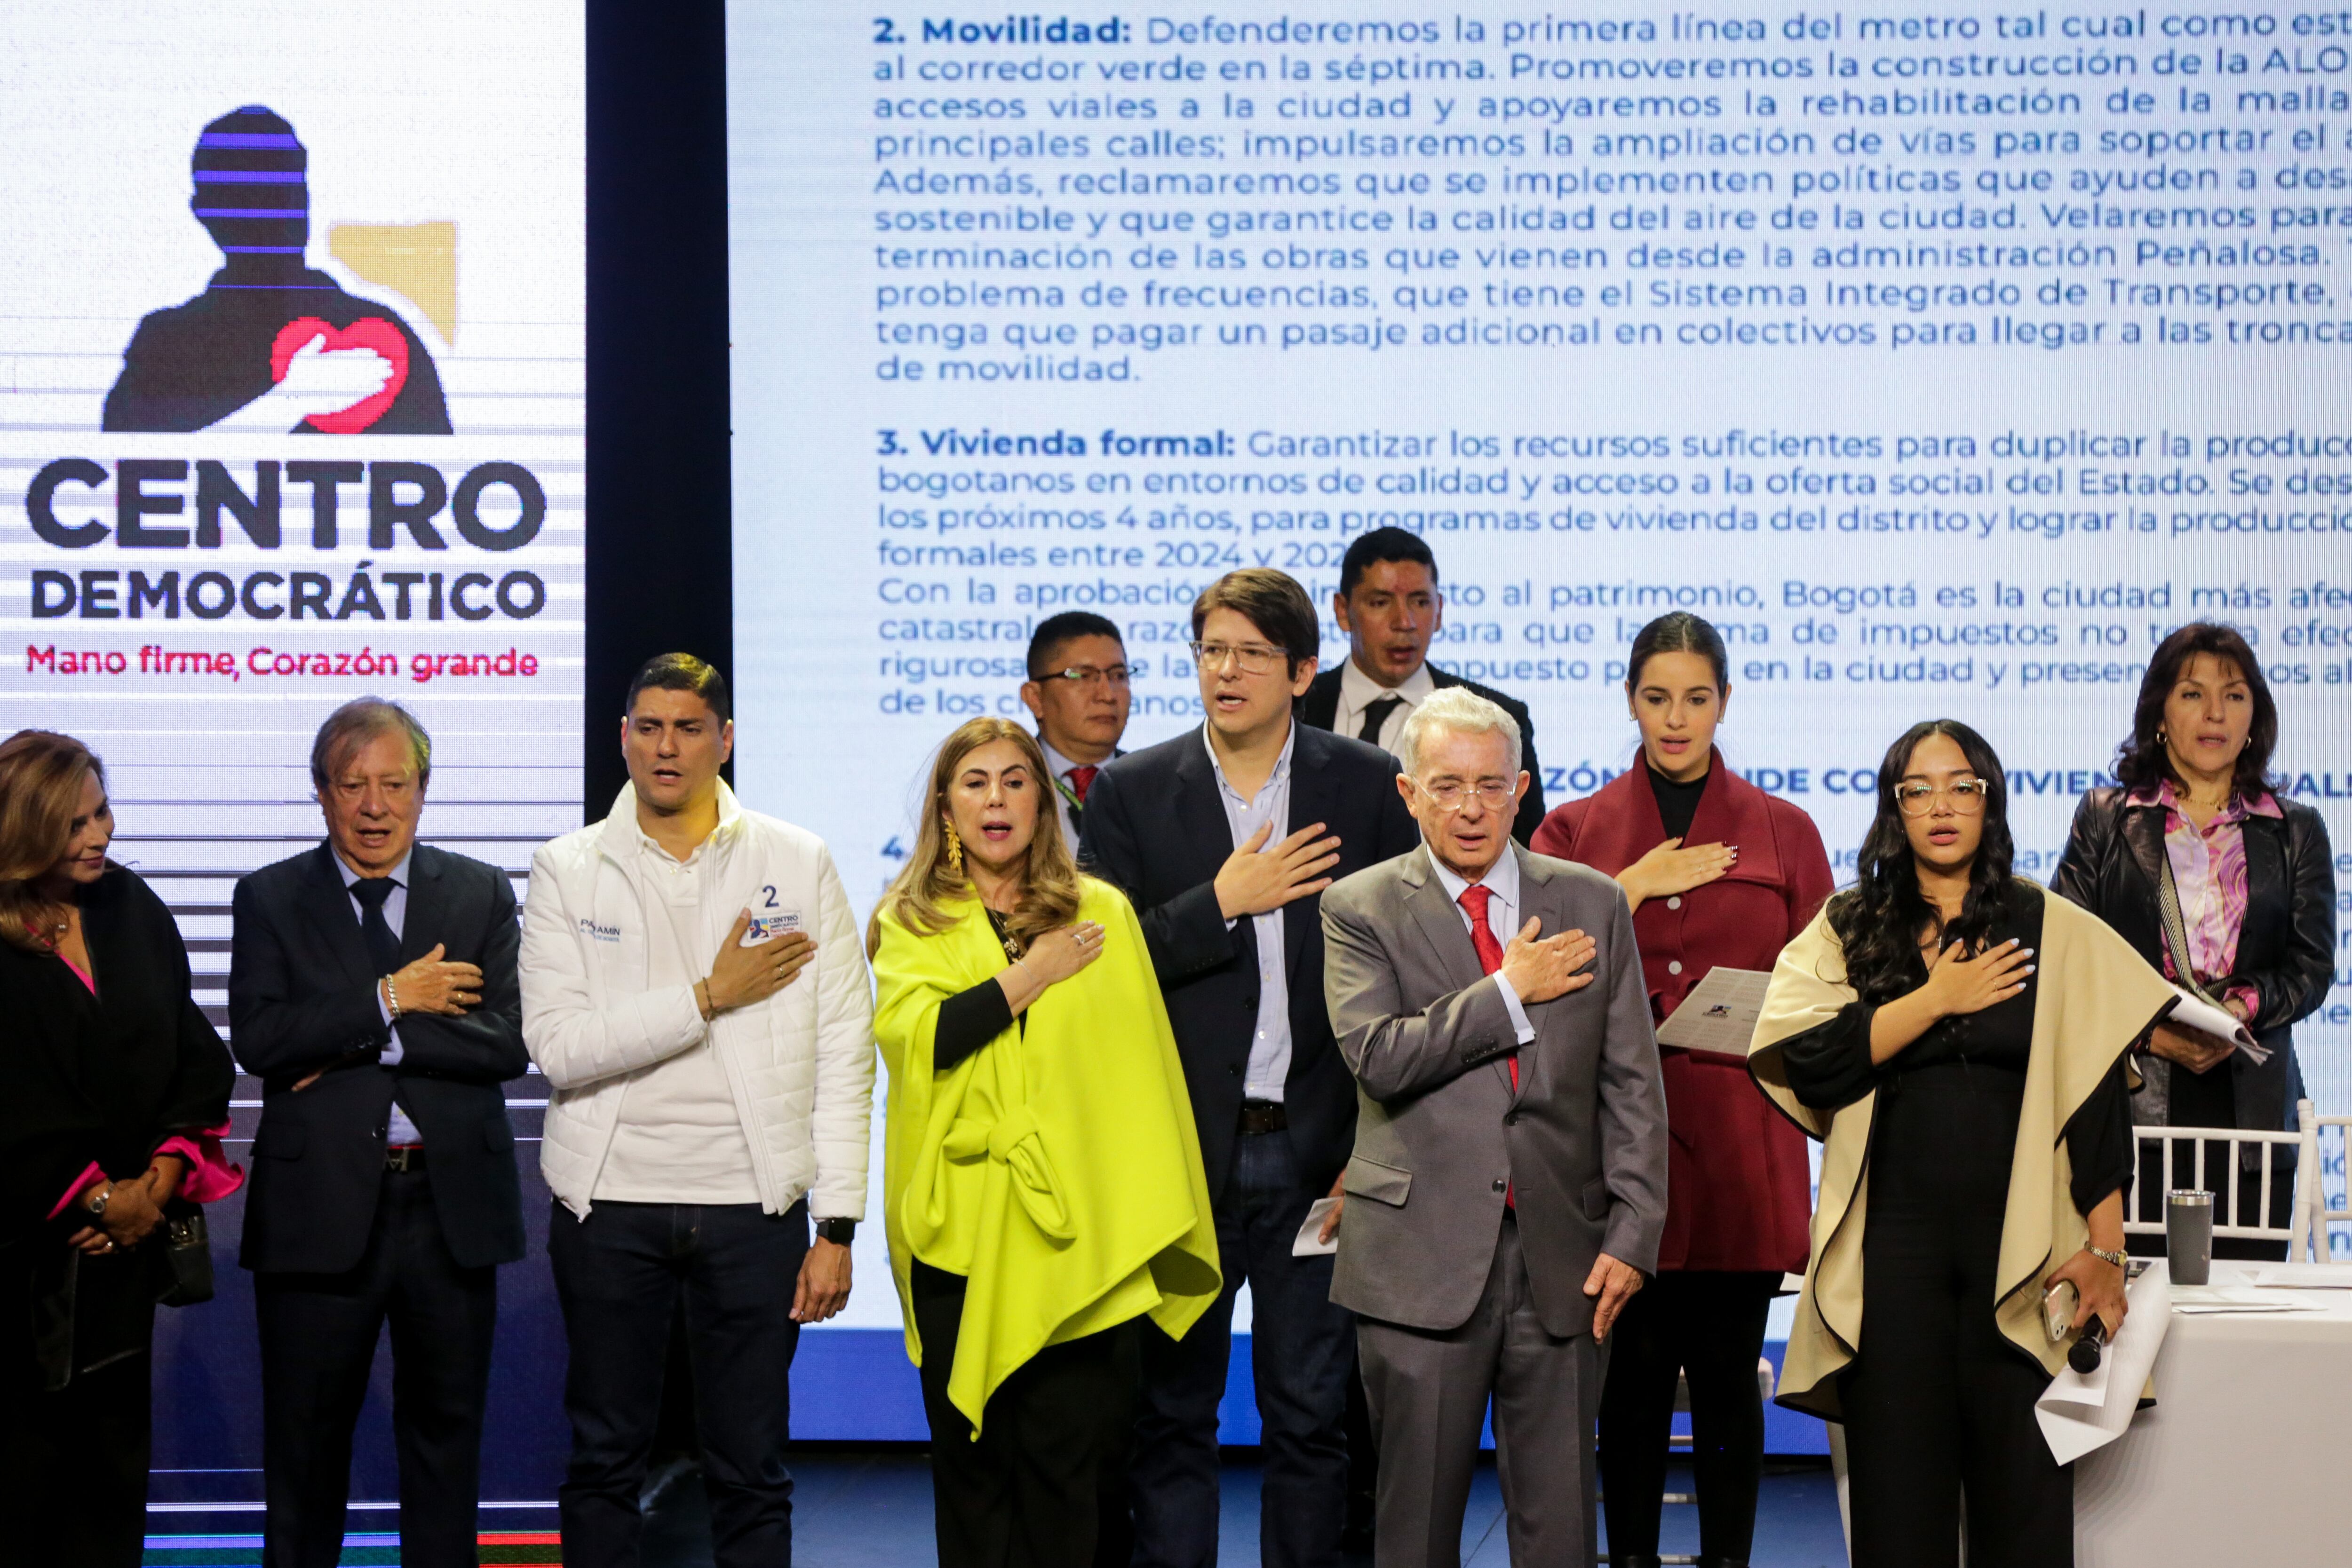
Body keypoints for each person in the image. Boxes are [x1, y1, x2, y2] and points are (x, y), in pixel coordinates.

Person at [1749, 720, 2181, 1567]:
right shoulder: (1851, 925)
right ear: (1894, 807)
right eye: (1918, 790)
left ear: (1991, 800)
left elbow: (2097, 1099)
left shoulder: (2050, 925)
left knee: (2025, 1515)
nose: (1941, 806)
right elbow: (1809, 1059)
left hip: (2025, 1257)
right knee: (1897, 1517)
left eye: (1962, 786)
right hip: (1891, 1255)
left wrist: (2107, 1248)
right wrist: (1936, 997)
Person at [1081, 568, 1421, 1568]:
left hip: (1320, 1151)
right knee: (1171, 1413)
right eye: (1210, 651)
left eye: (1250, 654)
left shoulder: (1364, 783)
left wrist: (1376, 1145)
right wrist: (1222, 900)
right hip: (1180, 1154)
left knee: (1311, 1416)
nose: (1225, 672)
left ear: (1303, 671)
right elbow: (1096, 966)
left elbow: (1409, 970)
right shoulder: (1134, 790)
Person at [520, 653, 875, 1568]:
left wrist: (837, 1223)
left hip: (753, 1209)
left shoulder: (796, 860)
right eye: (649, 726)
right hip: (609, 1204)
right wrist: (708, 995)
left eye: (687, 728)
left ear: (726, 740)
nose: (666, 746)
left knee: (750, 1469)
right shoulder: (567, 867)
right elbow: (559, 1046)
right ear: (623, 737)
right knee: (604, 1459)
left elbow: (845, 1047)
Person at [1321, 687, 1669, 1568]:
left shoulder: (1592, 900)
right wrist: (1510, 990)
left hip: (1566, 1256)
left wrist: (1634, 1233)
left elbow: (1632, 1081)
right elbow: (1380, 1056)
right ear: (1409, 793)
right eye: (1446, 785)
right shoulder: (1359, 906)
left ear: (1521, 790)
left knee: (1561, 1532)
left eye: (1489, 785)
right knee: (1416, 1530)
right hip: (1419, 1257)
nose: (1469, 807)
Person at [869, 718, 1220, 1568]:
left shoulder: (1103, 913)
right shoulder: (912, 918)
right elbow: (923, 1039)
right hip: (962, 1234)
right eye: (976, 782)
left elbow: (1138, 1079)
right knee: (973, 1472)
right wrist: (1034, 971)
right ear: (947, 807)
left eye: (1016, 780)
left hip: (1082, 1242)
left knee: (1078, 1480)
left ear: (1044, 801)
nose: (997, 799)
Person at [1529, 612, 1831, 1568]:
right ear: (1629, 699)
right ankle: (1629, 1559)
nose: (1675, 718)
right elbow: (1529, 973)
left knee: (1731, 1378)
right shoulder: (1574, 831)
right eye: (1656, 697)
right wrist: (1625, 886)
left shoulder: (1784, 830)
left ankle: (1728, 1560)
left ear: (1724, 702)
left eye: (1695, 698)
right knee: (1632, 1379)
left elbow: (1825, 980)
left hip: (1742, 1140)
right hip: (1617, 1145)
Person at [229, 699, 527, 1568]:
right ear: (321, 792)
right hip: (316, 1209)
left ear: (422, 789)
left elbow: (507, 1043)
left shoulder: (479, 890)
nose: (373, 806)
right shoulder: (270, 896)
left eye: (393, 784)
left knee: (445, 1442)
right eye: (351, 785)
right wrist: (394, 999)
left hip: (449, 1206)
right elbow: (263, 1040)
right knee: (305, 1448)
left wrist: (352, 1037)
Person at [0, 730, 239, 1568]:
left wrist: (156, 1185)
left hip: (123, 1267)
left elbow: (191, 1054)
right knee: (23, 1489)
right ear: (26, 828)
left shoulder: (131, 906)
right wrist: (94, 1198)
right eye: (75, 824)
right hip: (26, 1268)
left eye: (102, 811)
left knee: (109, 1483)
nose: (100, 833)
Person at [2052, 622, 2336, 1258]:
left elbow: (2311, 968)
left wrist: (2236, 1010)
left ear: (2254, 717)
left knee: (2246, 1301)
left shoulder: (2296, 831)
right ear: (2159, 714)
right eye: (2192, 694)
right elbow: (2066, 961)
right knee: (2132, 1297)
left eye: (2233, 695)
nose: (2214, 713)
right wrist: (2153, 1035)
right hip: (2133, 1095)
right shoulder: (2106, 818)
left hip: (2251, 1105)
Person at [103, 105, 450, 434]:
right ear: (205, 211)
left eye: (283, 184)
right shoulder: (166, 345)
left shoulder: (380, 336)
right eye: (247, 192)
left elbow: (437, 466)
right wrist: (290, 402)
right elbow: (129, 468)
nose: (273, 206)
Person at [1299, 528, 1546, 845]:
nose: (1405, 622)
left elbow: (1527, 851)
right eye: (1380, 602)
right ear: (1342, 611)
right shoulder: (1296, 707)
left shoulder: (1500, 717)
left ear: (1439, 610)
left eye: (1420, 602)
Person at [1018, 610, 1131, 846]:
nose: (1108, 695)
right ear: (1035, 699)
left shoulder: (1154, 786)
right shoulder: (1009, 786)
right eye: (1082, 676)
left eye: (1119, 676)